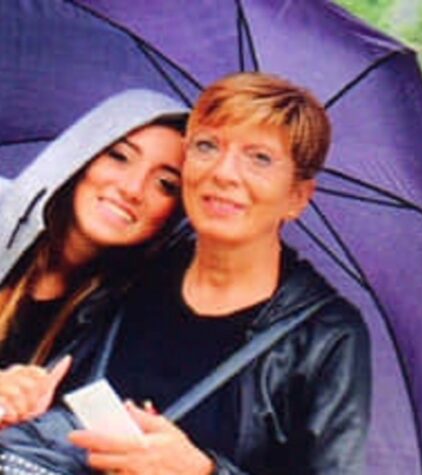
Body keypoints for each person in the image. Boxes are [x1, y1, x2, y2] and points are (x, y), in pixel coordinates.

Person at [69, 72, 372, 475]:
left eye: (260, 158)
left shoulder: (327, 338)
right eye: (207, 146)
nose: (224, 173)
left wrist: (202, 472)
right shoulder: (134, 267)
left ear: (297, 197)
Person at [0, 88, 189, 428]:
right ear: (81, 154)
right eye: (120, 156)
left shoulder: (118, 322)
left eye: (165, 184)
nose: (132, 188)